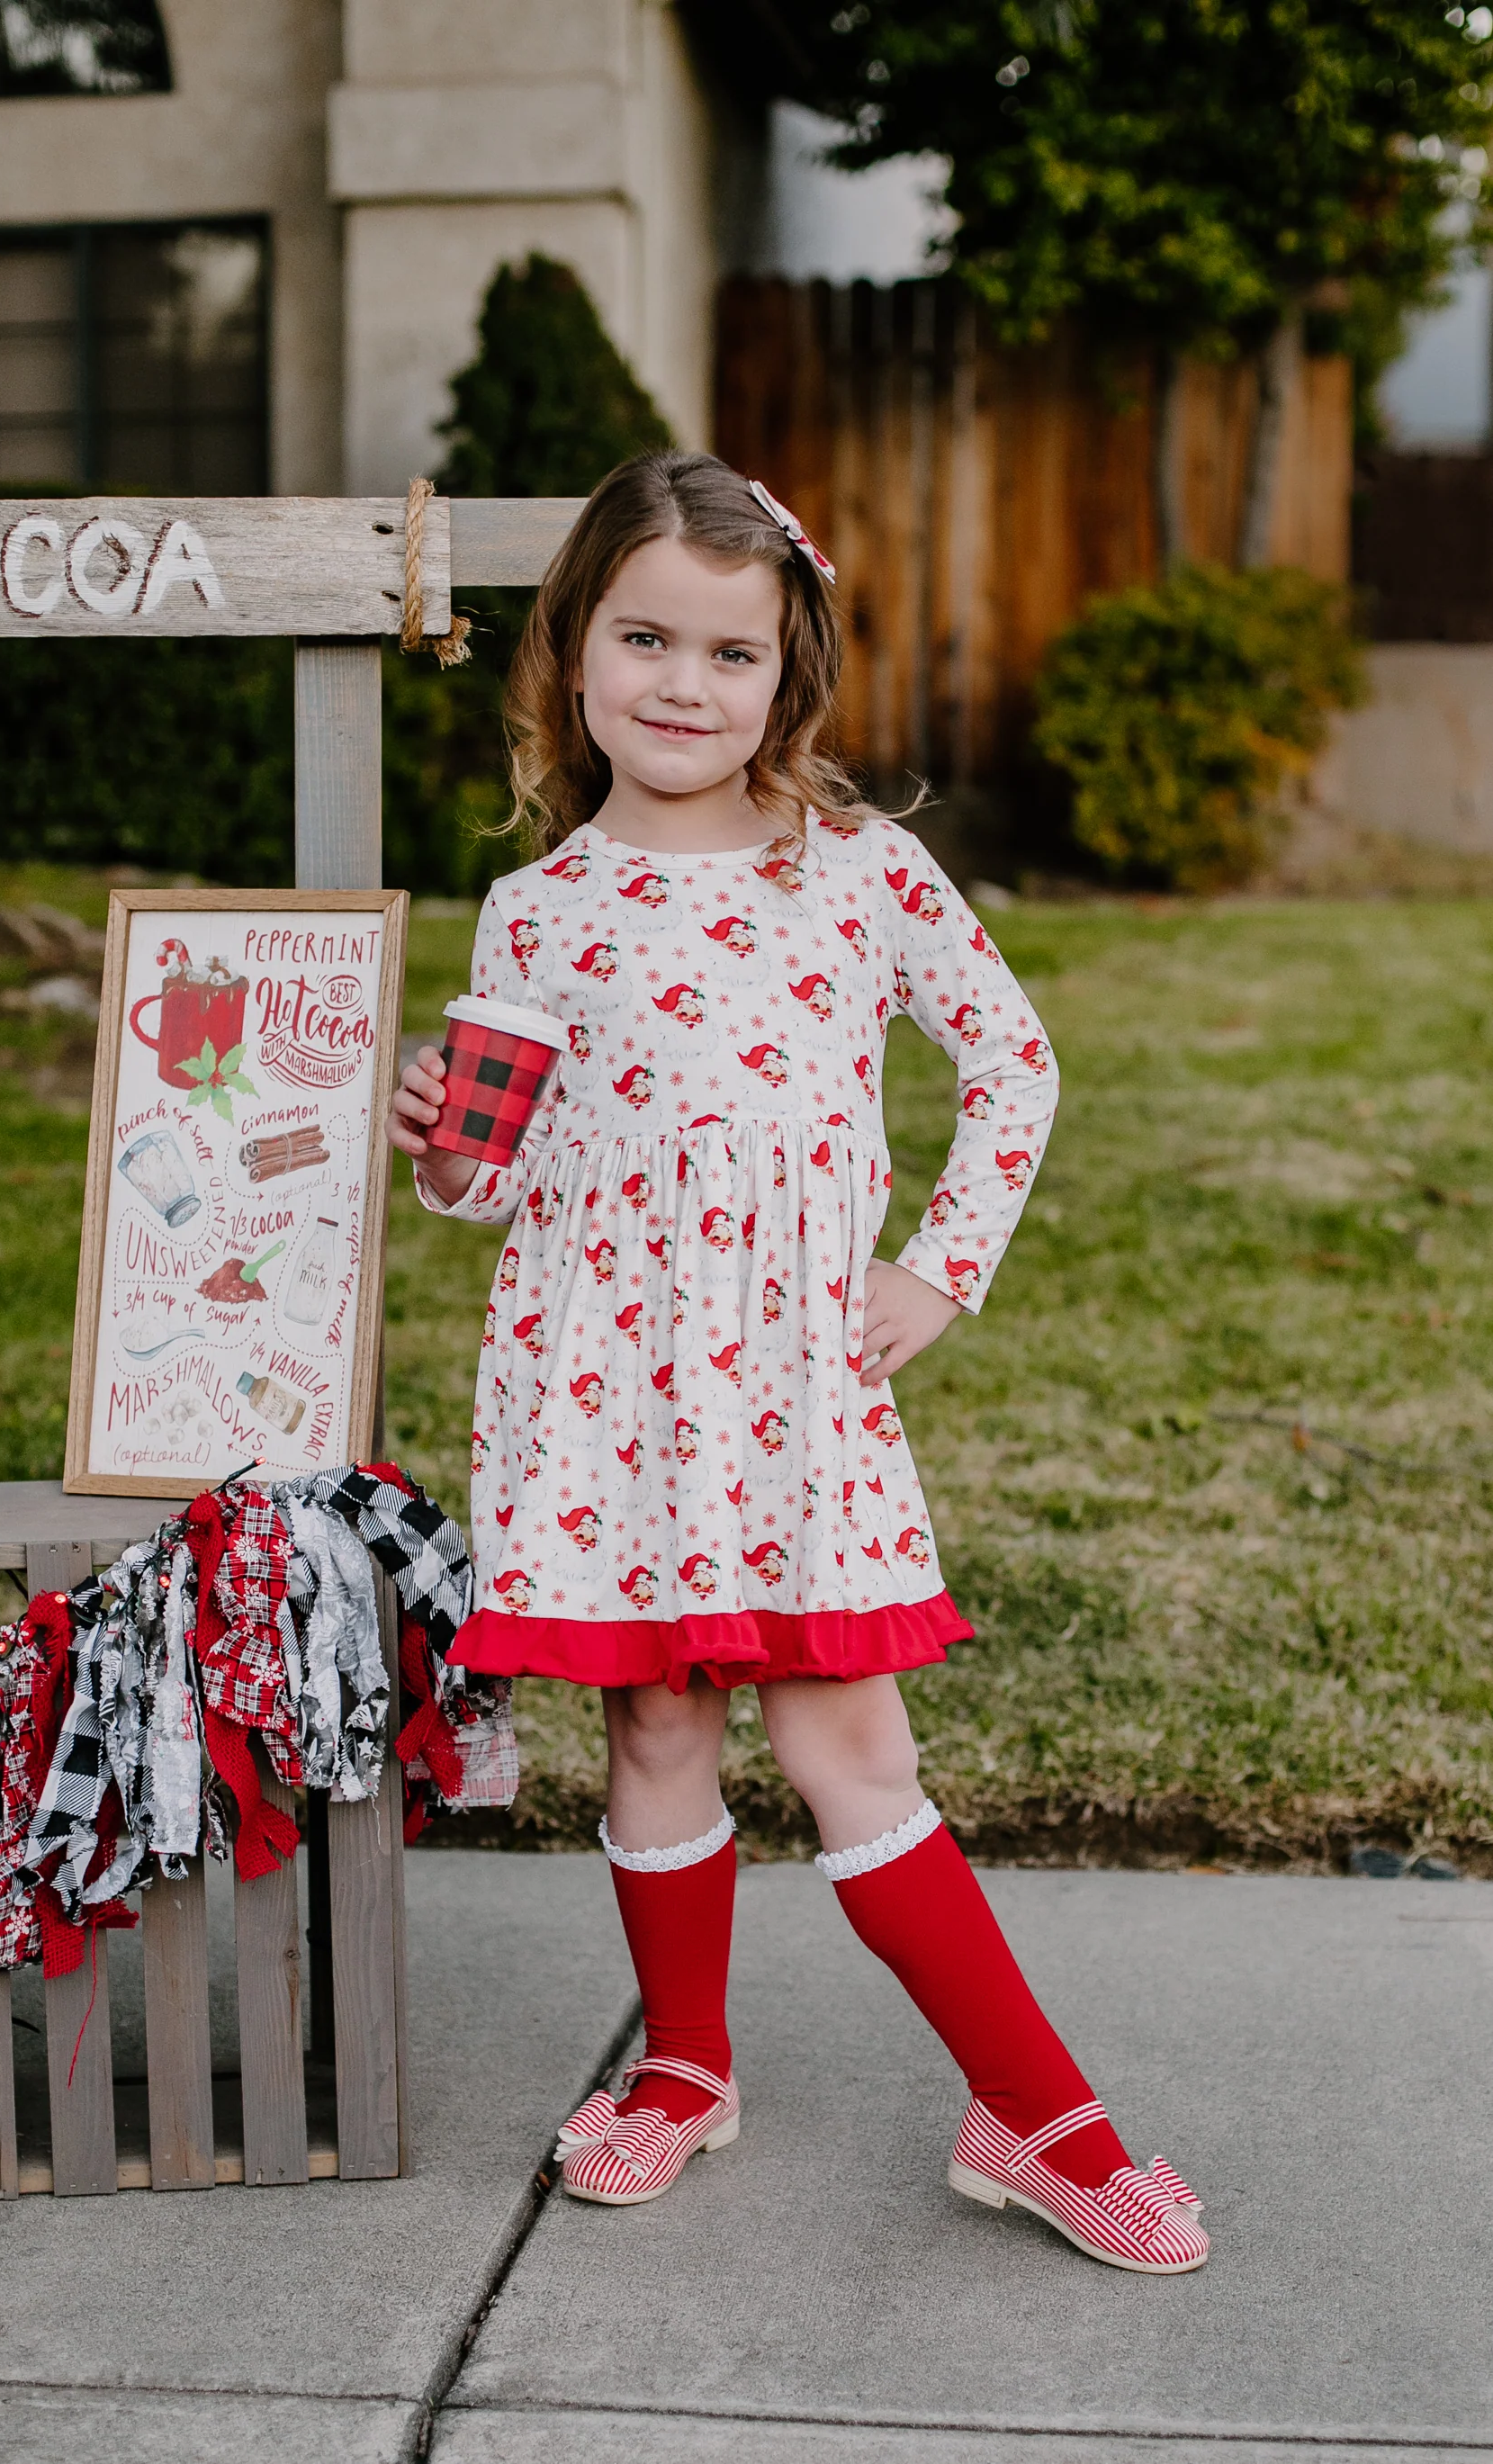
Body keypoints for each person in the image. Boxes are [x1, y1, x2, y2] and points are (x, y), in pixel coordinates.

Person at [386, 451, 1207, 2275]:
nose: (684, 682)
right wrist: (438, 1134)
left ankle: (1037, 2111)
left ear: (790, 670)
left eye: (729, 651)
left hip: (790, 1392)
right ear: (573, 652)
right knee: (658, 1725)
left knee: (849, 1736)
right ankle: (684, 2065)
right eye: (645, 637)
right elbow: (486, 1183)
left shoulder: (857, 873)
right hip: (596, 1395)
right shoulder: (538, 913)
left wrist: (942, 1267)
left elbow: (1017, 1066)